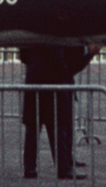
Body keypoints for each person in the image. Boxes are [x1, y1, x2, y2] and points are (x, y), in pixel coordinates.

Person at [20, 44, 100, 179]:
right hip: (56, 84)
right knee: (58, 127)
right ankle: (64, 168)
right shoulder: (64, 38)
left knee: (33, 128)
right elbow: (71, 66)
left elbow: (24, 55)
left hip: (34, 80)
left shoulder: (34, 35)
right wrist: (90, 54)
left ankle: (30, 168)